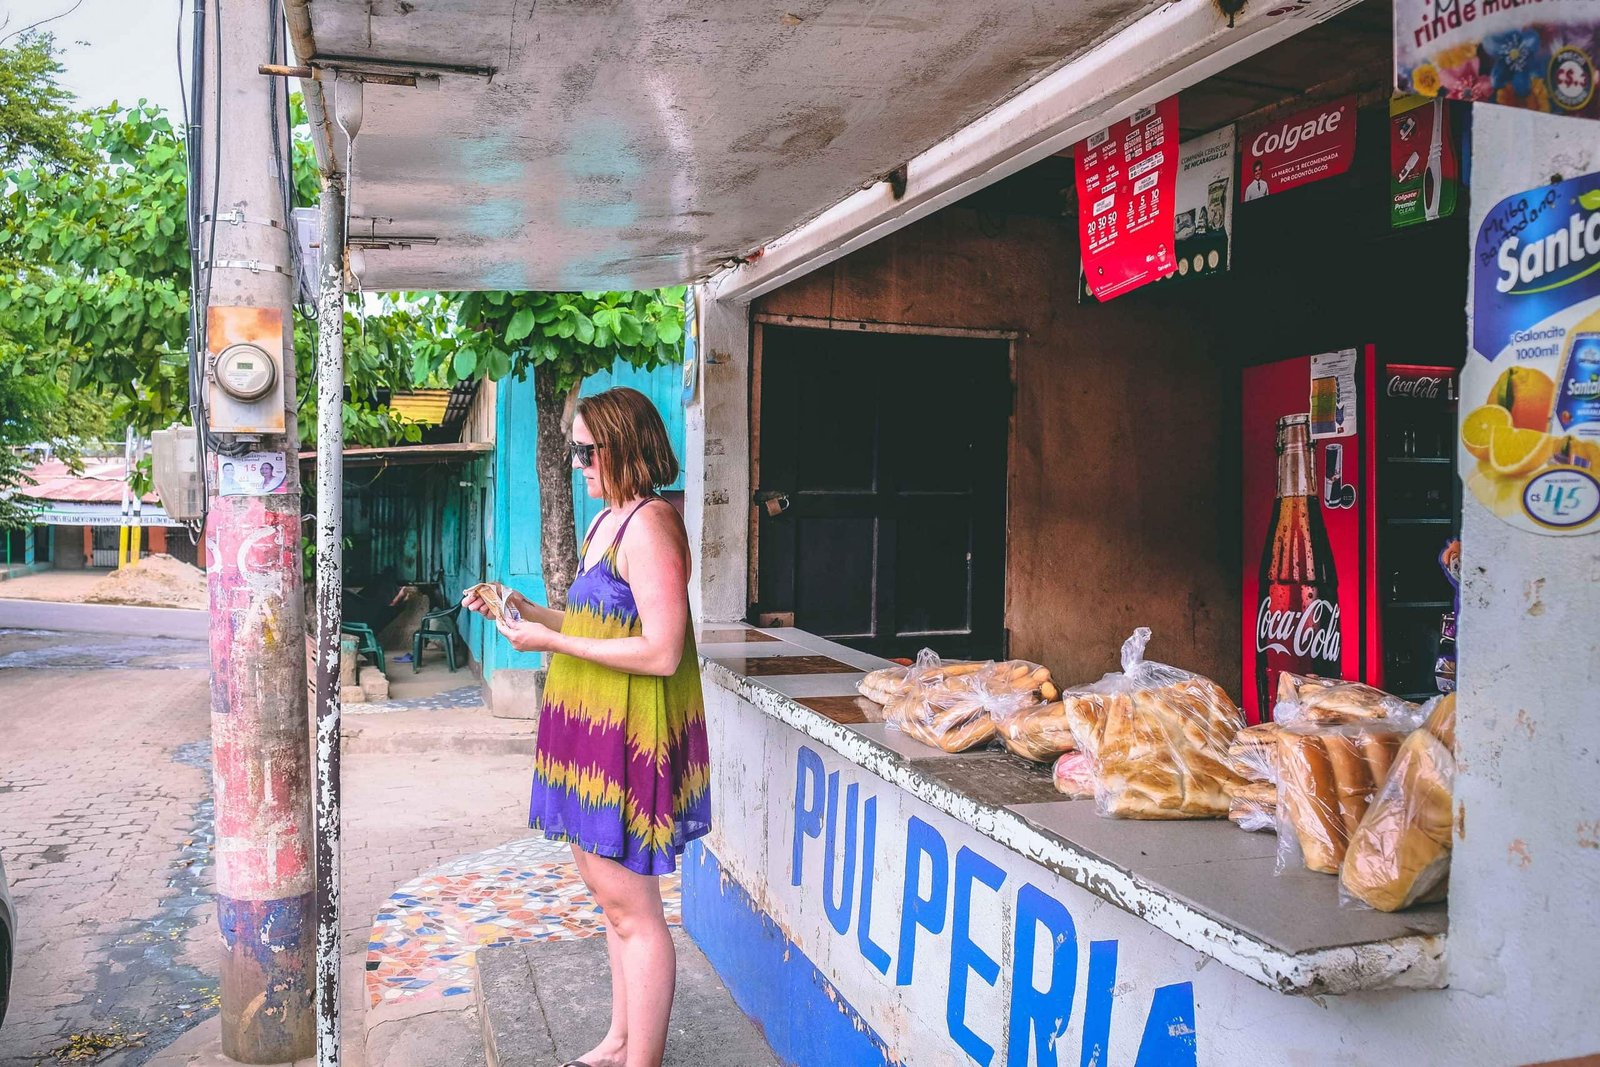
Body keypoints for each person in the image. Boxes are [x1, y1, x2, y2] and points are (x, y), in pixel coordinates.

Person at [463, 387, 710, 1067]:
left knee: (636, 910)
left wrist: (552, 646)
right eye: (573, 450)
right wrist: (526, 612)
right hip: (589, 736)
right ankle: (619, 1039)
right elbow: (595, 626)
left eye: (584, 449)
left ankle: (642, 1059)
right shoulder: (607, 521)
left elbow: (660, 650)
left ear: (622, 445)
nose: (576, 462)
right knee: (611, 905)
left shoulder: (653, 524)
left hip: (628, 738)